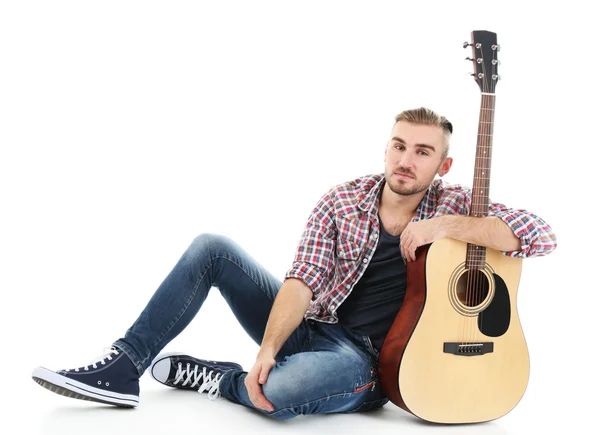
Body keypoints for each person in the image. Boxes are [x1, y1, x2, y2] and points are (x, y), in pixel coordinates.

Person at [31, 107, 557, 420]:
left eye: (422, 151)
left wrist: (444, 227)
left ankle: (225, 381)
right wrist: (269, 346)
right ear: (386, 149)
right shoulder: (341, 199)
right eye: (398, 145)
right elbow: (301, 279)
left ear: (441, 165)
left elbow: (541, 234)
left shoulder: (459, 205)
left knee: (281, 393)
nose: (405, 159)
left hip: (374, 365)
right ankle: (125, 366)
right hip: (316, 328)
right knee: (211, 246)